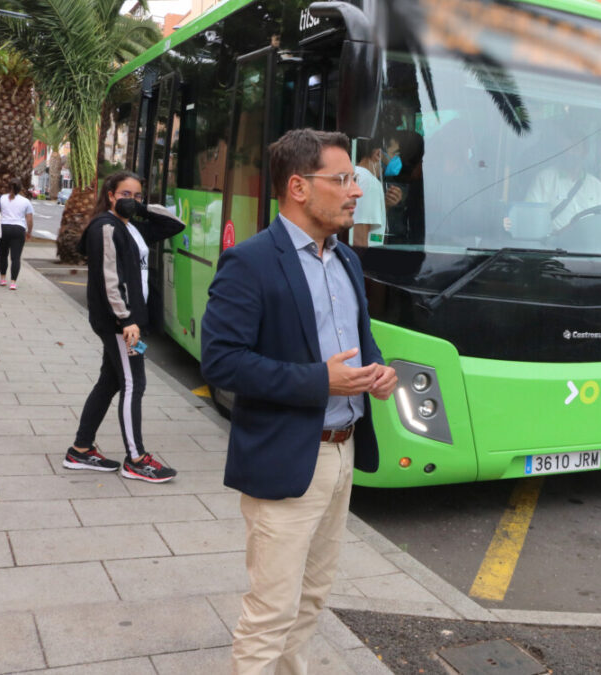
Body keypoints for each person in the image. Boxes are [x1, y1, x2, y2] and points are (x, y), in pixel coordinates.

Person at [200, 128, 397, 675]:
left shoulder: (347, 261)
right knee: (271, 610)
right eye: (342, 179)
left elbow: (362, 342)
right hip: (289, 455)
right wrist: (320, 382)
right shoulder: (251, 262)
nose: (356, 191)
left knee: (312, 598)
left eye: (354, 180)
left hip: (344, 451)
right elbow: (221, 363)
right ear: (298, 188)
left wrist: (377, 374)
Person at [64, 171, 184, 482]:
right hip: (119, 323)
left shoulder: (132, 228)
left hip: (129, 322)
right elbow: (109, 279)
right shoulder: (106, 226)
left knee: (110, 381)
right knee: (134, 383)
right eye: (125, 194)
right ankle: (136, 459)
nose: (132, 199)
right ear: (111, 195)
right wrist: (126, 319)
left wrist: (141, 210)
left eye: (137, 195)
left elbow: (174, 224)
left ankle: (81, 449)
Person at [523, 129, 601, 232]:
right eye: (566, 149)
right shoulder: (544, 179)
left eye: (575, 149)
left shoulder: (596, 185)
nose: (570, 153)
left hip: (589, 246)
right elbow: (530, 218)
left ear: (585, 153)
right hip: (554, 245)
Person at [351, 136, 401, 247]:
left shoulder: (355, 174)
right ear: (378, 154)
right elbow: (359, 238)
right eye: (395, 154)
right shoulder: (370, 182)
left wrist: (385, 205)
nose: (397, 160)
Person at [0, 178, 34, 290]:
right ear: (20, 188)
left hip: (3, 228)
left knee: (3, 254)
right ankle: (13, 283)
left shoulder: (0, 198)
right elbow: (29, 219)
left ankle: (2, 279)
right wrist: (29, 232)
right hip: (18, 229)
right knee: (16, 257)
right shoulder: (26, 201)